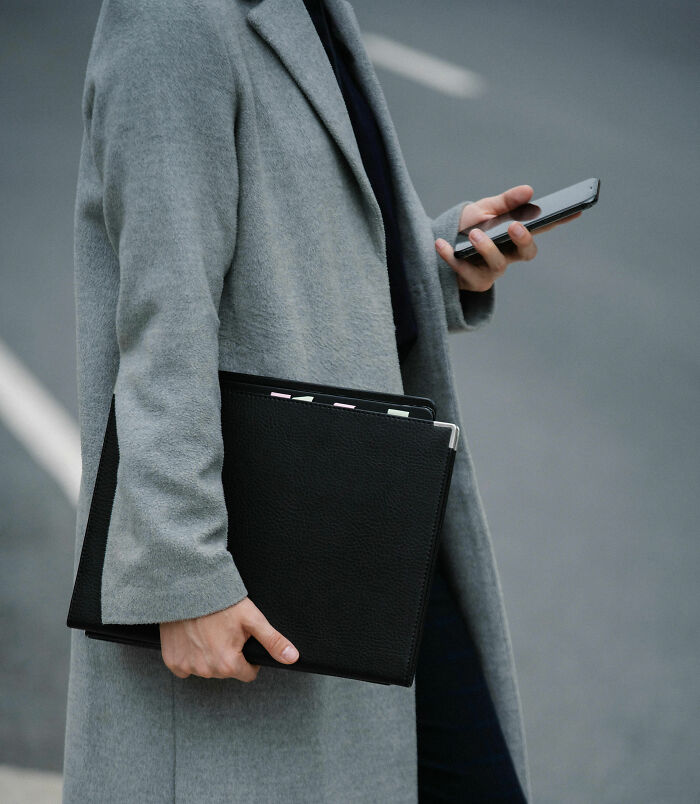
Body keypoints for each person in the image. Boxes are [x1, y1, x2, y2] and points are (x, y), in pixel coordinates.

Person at [63, 0, 579, 801]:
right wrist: (184, 571)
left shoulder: (307, 6)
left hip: (367, 520)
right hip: (261, 546)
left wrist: (438, 262)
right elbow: (164, 312)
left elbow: (292, 243)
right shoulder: (171, 19)